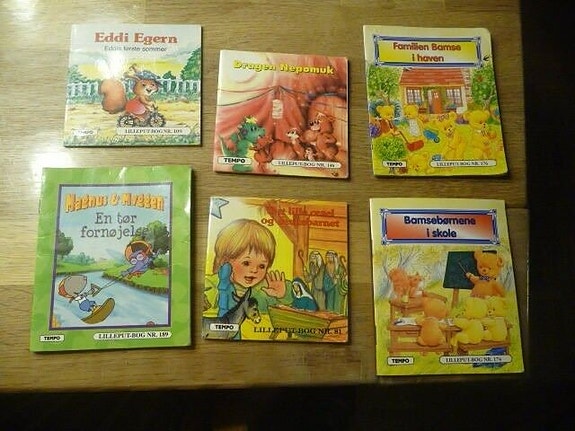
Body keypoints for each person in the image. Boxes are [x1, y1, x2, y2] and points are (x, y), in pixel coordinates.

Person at [203, 219, 295, 319]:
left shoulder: (265, 289)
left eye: (262, 266)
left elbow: (294, 300)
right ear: (225, 261)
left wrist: (282, 295)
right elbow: (206, 295)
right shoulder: (213, 284)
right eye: (246, 263)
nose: (254, 270)